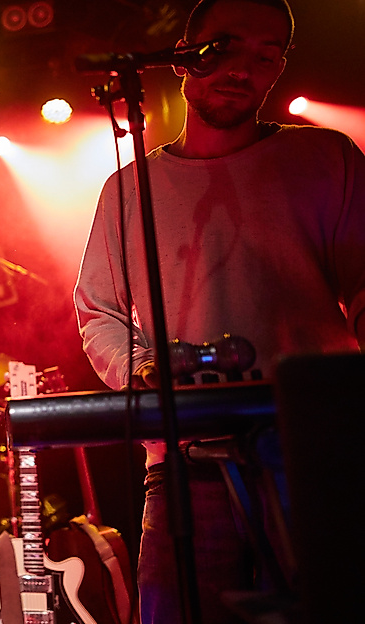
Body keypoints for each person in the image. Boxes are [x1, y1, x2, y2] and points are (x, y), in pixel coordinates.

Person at [74, 0, 365, 622]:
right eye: (226, 48)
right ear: (185, 56)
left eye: (267, 56)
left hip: (318, 453)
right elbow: (99, 312)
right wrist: (145, 370)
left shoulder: (327, 158)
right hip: (185, 463)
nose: (244, 69)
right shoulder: (128, 191)